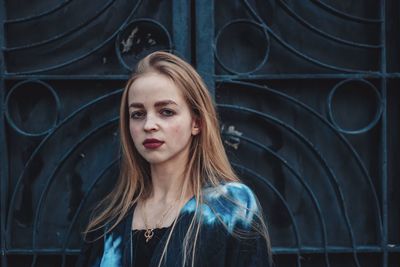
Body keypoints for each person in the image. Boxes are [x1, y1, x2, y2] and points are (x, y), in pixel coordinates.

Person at [76, 51, 272, 267]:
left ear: (196, 122)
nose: (149, 125)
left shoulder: (230, 207)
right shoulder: (108, 223)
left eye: (166, 112)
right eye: (138, 114)